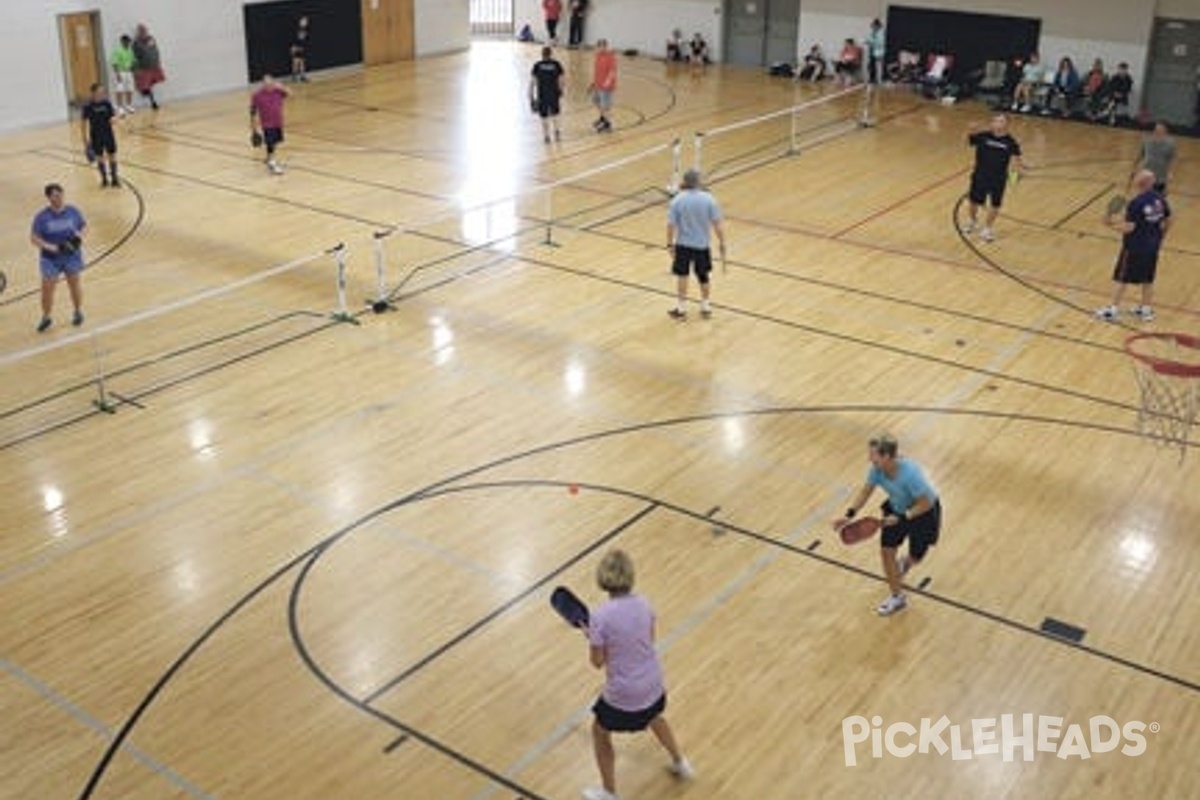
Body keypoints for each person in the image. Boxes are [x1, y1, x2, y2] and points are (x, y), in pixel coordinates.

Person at [582, 549, 694, 800]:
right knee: (655, 716)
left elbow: (597, 663)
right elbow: (646, 641)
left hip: (625, 694)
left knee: (600, 732)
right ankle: (680, 762)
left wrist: (593, 638)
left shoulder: (599, 616)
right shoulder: (645, 603)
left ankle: (609, 793)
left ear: (603, 578)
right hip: (653, 684)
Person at [832, 433, 942, 617]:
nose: (869, 459)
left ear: (887, 456)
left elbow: (926, 503)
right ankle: (897, 597)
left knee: (916, 557)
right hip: (895, 509)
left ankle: (906, 563)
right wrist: (849, 514)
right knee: (886, 551)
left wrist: (904, 518)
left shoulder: (911, 474)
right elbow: (865, 492)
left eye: (873, 455)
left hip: (923, 514)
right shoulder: (877, 470)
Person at [1094, 169, 1170, 322]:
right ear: (1151, 183)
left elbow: (1129, 227)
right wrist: (1161, 237)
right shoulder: (1159, 199)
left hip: (1134, 247)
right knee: (1148, 279)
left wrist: (1109, 225)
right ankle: (1146, 310)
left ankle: (1112, 310)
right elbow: (1169, 219)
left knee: (1123, 277)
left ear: (1139, 183)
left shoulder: (1136, 203)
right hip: (1153, 246)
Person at [666, 169, 725, 320]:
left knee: (682, 276)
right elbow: (717, 224)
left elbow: (671, 225)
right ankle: (706, 307)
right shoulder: (709, 199)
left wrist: (669, 244)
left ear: (685, 182)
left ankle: (681, 310)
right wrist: (722, 242)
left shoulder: (677, 200)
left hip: (683, 245)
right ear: (698, 182)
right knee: (703, 276)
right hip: (702, 246)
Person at [30, 184, 87, 333]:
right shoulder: (41, 217)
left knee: (74, 285)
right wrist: (51, 247)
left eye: (61, 194)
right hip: (50, 259)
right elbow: (34, 238)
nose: (59, 198)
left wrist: (78, 238)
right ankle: (46, 317)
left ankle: (77, 311)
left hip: (71, 257)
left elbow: (84, 226)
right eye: (55, 196)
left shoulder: (73, 211)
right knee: (47, 290)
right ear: (49, 198)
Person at [963, 113, 1023, 242]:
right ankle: (972, 221)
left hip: (998, 178)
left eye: (1001, 121)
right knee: (973, 201)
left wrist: (1014, 177)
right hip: (979, 175)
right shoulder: (983, 136)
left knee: (995, 204)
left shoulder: (1010, 142)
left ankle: (987, 229)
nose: (998, 123)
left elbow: (1016, 160)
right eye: (995, 121)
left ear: (1007, 124)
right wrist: (970, 130)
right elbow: (968, 142)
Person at [80, 83, 120, 188]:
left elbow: (112, 117)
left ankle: (114, 179)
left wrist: (114, 119)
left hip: (108, 134)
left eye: (103, 92)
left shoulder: (107, 103)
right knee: (99, 158)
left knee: (112, 156)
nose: (102, 94)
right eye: (99, 92)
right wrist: (85, 139)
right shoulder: (88, 106)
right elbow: (83, 123)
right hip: (96, 135)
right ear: (93, 93)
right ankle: (104, 180)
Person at [250, 74, 291, 175]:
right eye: (265, 83)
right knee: (270, 142)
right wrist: (254, 128)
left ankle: (269, 157)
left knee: (275, 141)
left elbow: (290, 93)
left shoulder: (278, 91)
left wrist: (281, 87)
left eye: (269, 83)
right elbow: (253, 111)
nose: (268, 85)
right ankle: (273, 164)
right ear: (262, 84)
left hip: (278, 122)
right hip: (267, 124)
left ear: (273, 82)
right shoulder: (257, 95)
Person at [530, 46, 565, 143]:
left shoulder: (537, 65)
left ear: (542, 54)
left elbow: (533, 82)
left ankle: (546, 136)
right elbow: (561, 79)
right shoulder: (556, 64)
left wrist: (530, 94)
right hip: (554, 93)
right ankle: (557, 133)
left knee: (544, 116)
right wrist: (561, 90)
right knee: (555, 114)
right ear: (551, 54)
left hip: (542, 94)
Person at [132, 24, 165, 110]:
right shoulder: (136, 43)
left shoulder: (151, 39)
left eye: (145, 30)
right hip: (144, 68)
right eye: (142, 31)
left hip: (154, 65)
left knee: (152, 82)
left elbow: (155, 50)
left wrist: (158, 62)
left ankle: (146, 93)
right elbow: (134, 56)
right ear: (139, 32)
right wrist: (136, 68)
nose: (144, 32)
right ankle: (152, 102)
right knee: (146, 85)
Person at [1139, 122, 1176, 195]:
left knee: (1159, 198)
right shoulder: (1146, 140)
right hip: (1147, 174)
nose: (1157, 131)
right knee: (1145, 196)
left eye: (1160, 129)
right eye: (1156, 129)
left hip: (1160, 175)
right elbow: (1142, 154)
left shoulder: (1170, 144)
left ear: (1165, 131)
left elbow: (1172, 158)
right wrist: (1140, 167)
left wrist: (1170, 172)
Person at [590, 39, 617, 132]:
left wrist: (608, 81)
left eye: (601, 46)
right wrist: (593, 83)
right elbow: (597, 71)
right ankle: (602, 118)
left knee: (605, 106)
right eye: (598, 46)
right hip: (597, 85)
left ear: (605, 46)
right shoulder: (597, 56)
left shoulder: (610, 57)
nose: (599, 48)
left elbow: (612, 71)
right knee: (596, 101)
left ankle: (608, 125)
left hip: (606, 87)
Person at [109, 35, 137, 115]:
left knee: (130, 89)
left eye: (129, 42)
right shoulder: (117, 50)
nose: (128, 43)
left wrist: (133, 68)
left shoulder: (130, 50)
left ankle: (128, 105)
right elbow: (114, 63)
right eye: (126, 41)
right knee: (120, 90)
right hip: (120, 72)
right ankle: (120, 107)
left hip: (129, 72)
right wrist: (117, 74)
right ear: (122, 41)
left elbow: (133, 60)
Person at [866, 19, 885, 84]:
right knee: (871, 66)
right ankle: (872, 79)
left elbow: (880, 42)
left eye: (874, 26)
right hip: (872, 51)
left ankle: (879, 79)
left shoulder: (882, 33)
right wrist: (868, 41)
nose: (873, 27)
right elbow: (870, 39)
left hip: (879, 52)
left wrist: (871, 42)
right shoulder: (873, 32)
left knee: (878, 66)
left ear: (877, 25)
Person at [291, 16, 310, 82]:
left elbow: (305, 40)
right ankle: (294, 77)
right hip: (296, 47)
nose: (305, 23)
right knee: (295, 62)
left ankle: (303, 76)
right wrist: (294, 47)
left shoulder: (305, 30)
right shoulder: (296, 29)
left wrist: (304, 47)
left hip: (302, 48)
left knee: (302, 63)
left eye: (306, 22)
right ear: (300, 22)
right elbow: (293, 39)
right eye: (303, 21)